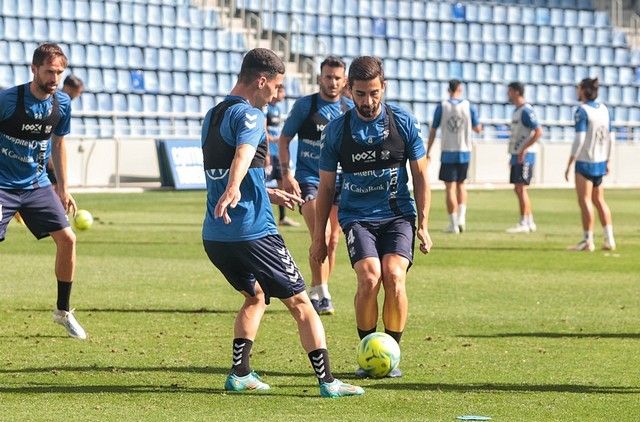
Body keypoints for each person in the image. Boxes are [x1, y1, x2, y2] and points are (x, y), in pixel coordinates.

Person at [201, 48, 363, 398]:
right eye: (275, 86)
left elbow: (223, 169)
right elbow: (243, 155)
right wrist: (234, 188)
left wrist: (265, 192)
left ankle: (240, 373)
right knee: (302, 304)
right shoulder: (251, 115)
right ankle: (328, 382)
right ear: (261, 81)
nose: (277, 95)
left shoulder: (213, 115)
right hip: (253, 232)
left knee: (255, 297)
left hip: (215, 235)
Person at [310, 56, 432, 378]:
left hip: (397, 215)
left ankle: (391, 352)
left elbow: (420, 175)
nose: (368, 101)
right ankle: (368, 349)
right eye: (361, 94)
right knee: (368, 276)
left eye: (374, 93)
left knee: (393, 275)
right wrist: (318, 239)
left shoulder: (403, 122)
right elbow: (325, 188)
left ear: (384, 87)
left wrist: (425, 224)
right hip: (357, 217)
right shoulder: (337, 131)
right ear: (349, 90)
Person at [0, 43, 86, 339]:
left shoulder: (62, 104)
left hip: (36, 185)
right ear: (34, 69)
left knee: (68, 239)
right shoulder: (8, 100)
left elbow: (59, 145)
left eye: (60, 72)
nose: (55, 78)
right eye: (49, 71)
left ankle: (63, 312)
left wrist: (63, 188)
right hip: (2, 186)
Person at [278, 56, 353, 315]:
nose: (332, 82)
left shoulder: (349, 108)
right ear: (320, 78)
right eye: (328, 77)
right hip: (309, 180)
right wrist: (286, 174)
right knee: (319, 234)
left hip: (340, 180)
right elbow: (284, 139)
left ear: (344, 81)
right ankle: (323, 293)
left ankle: (317, 289)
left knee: (332, 240)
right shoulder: (305, 106)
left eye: (337, 78)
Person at [564, 77, 616, 252]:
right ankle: (609, 238)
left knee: (584, 200)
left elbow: (579, 139)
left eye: (579, 88)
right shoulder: (604, 109)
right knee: (599, 200)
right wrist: (608, 159)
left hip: (586, 161)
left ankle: (588, 240)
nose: (577, 91)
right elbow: (610, 138)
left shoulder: (582, 111)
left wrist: (570, 161)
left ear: (584, 90)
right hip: (600, 161)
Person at [426, 79, 482, 233]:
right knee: (461, 185)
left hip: (448, 152)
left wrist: (428, 151)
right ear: (460, 88)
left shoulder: (442, 106)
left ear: (448, 89)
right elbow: (478, 128)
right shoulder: (469, 106)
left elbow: (433, 130)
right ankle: (462, 218)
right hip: (464, 151)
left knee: (450, 187)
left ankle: (453, 224)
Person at [505, 82, 543, 233]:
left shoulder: (526, 111)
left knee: (521, 188)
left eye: (509, 92)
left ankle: (525, 223)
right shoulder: (517, 111)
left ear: (516, 92)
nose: (507, 94)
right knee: (518, 188)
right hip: (517, 154)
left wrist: (524, 149)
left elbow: (538, 131)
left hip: (525, 156)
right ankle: (529, 221)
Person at [265, 85, 299, 227]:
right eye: (282, 91)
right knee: (261, 184)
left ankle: (282, 218)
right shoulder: (266, 109)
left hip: (277, 152)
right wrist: (266, 152)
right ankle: (262, 217)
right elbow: (263, 130)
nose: (284, 94)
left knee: (280, 184)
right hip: (268, 153)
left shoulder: (277, 109)